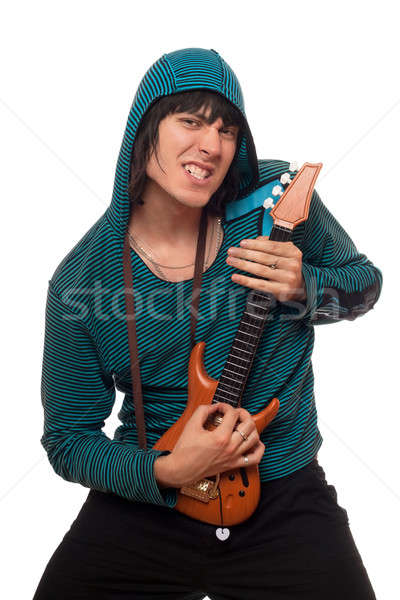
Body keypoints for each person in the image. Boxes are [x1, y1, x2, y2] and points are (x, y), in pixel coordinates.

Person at [33, 47, 382, 599]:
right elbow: (68, 440)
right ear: (143, 131)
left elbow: (364, 288)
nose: (211, 145)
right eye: (190, 121)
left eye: (227, 129)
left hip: (285, 498)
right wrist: (167, 471)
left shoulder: (277, 201)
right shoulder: (83, 278)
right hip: (147, 501)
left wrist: (306, 289)